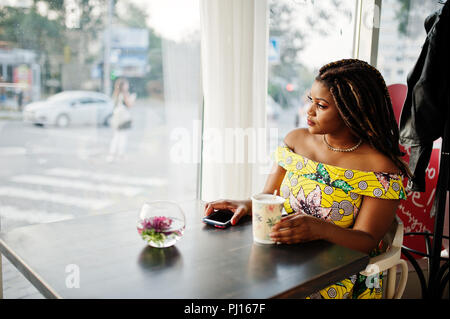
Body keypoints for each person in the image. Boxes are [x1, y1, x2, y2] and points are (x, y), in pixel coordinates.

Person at [204, 59, 410, 299]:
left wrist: (320, 229)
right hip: (283, 256)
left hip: (338, 273)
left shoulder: (380, 168)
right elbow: (272, 197)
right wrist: (244, 205)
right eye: (310, 100)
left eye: (321, 105)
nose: (309, 111)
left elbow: (366, 241)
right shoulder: (296, 141)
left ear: (354, 110)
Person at [107, 78, 136, 162]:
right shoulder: (125, 94)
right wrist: (132, 99)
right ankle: (120, 155)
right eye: (126, 84)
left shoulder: (116, 94)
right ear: (123, 86)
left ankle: (111, 154)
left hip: (116, 118)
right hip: (123, 119)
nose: (127, 86)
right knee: (123, 137)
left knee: (116, 136)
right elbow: (129, 105)